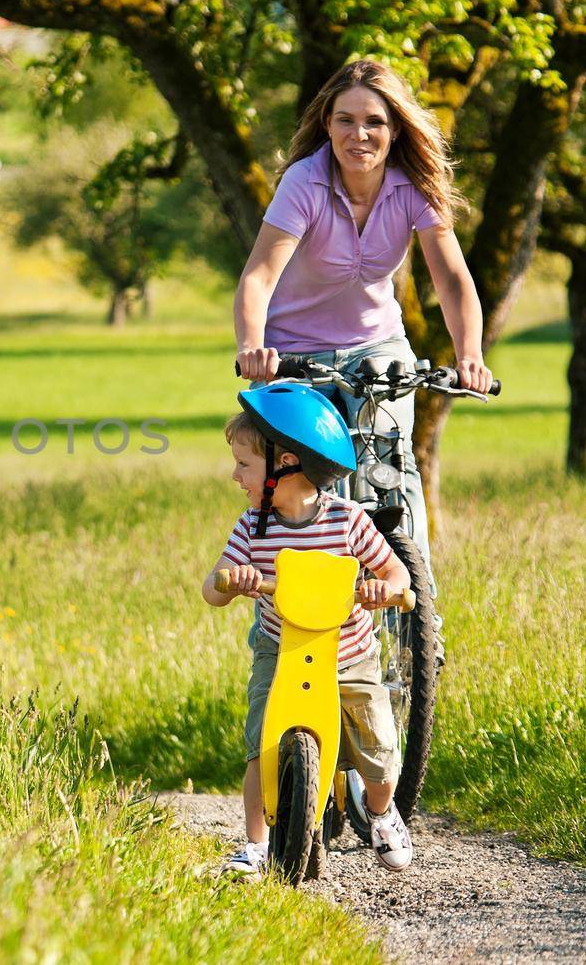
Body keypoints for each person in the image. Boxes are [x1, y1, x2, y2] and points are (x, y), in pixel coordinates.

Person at [234, 58, 494, 577]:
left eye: (374, 121)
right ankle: (279, 623)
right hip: (294, 356)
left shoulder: (415, 186)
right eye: (346, 120)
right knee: (291, 486)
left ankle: (417, 610)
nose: (360, 134)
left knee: (395, 469)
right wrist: (253, 347)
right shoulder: (304, 183)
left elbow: (451, 280)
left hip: (377, 344)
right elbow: (259, 277)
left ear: (395, 129)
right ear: (327, 125)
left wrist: (470, 357)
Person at [202, 382, 414, 880]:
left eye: (244, 464)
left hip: (350, 655)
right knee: (263, 746)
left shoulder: (347, 521)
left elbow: (396, 575)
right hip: (281, 652)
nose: (235, 475)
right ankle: (256, 844)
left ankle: (382, 814)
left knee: (379, 753)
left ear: (287, 464)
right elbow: (212, 588)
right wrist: (234, 583)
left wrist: (384, 589)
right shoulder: (253, 526)